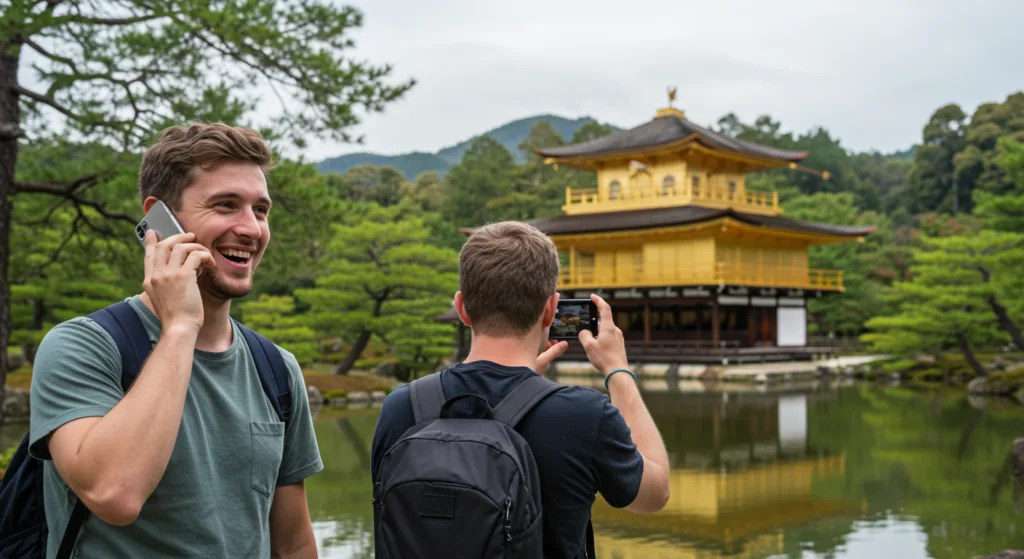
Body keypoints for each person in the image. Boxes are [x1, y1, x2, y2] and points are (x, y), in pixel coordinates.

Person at [27, 123, 323, 558]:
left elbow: (293, 545)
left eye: (260, 210)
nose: (252, 229)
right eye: (226, 205)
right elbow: (114, 494)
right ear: (159, 218)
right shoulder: (82, 347)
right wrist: (181, 325)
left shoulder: (276, 369)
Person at [370, 221, 671, 558]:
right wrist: (618, 372)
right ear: (550, 310)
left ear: (462, 308)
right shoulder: (582, 415)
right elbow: (655, 493)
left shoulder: (401, 406)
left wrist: (527, 391)